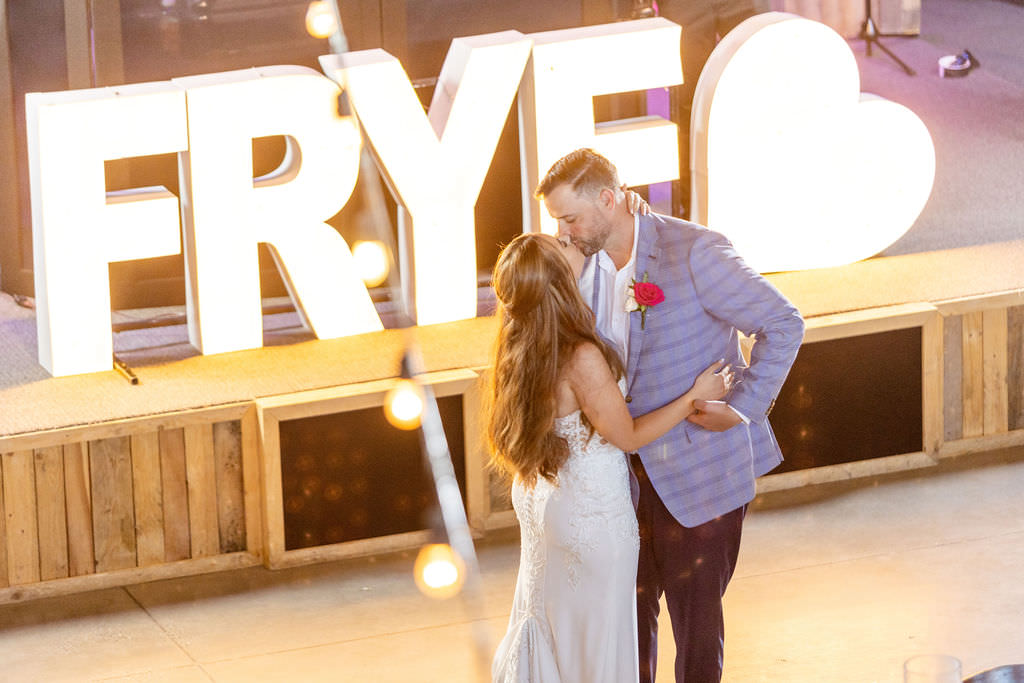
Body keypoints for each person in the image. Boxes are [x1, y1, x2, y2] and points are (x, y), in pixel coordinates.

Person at [535, 148, 804, 683]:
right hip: (615, 483)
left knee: (698, 632)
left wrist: (742, 409)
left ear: (609, 200)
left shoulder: (695, 251)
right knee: (629, 627)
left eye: (569, 217)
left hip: (697, 475)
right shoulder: (575, 263)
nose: (562, 232)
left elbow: (783, 322)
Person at [488, 232, 734, 683]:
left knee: (551, 619)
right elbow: (628, 436)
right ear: (558, 278)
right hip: (592, 514)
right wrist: (694, 397)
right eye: (559, 245)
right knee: (597, 641)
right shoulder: (579, 355)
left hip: (544, 502)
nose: (568, 239)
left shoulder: (520, 339)